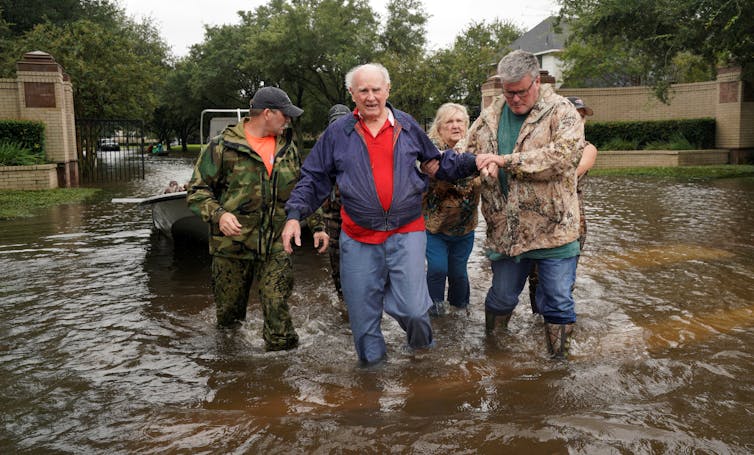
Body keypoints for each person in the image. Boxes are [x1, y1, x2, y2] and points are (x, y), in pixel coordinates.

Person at [281, 63, 478, 365]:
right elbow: (313, 178)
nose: (371, 97)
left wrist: (475, 162)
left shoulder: (407, 125)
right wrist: (295, 214)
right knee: (363, 319)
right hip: (358, 236)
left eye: (376, 89)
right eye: (364, 91)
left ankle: (422, 359)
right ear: (352, 94)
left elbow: (437, 164)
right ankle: (371, 385)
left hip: (406, 231)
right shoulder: (337, 133)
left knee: (413, 310)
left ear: (387, 90)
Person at [186, 86, 328, 351]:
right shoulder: (222, 146)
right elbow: (196, 190)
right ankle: (231, 370)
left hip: (277, 242)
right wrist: (218, 215)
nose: (289, 120)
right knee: (229, 321)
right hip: (232, 246)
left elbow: (303, 189)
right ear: (267, 113)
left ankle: (284, 373)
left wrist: (318, 226)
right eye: (285, 115)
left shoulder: (288, 148)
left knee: (277, 307)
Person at [471, 50, 585, 359]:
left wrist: (504, 161)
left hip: (554, 230)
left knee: (558, 299)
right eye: (509, 92)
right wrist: (475, 163)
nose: (515, 99)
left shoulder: (562, 112)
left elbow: (562, 158)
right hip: (505, 232)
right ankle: (494, 355)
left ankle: (559, 364)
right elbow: (466, 153)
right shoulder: (490, 116)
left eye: (521, 92)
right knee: (501, 297)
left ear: (536, 81)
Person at [527, 96, 599, 314]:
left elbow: (569, 175)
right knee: (536, 277)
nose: (579, 118)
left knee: (562, 280)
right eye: (575, 113)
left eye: (582, 115)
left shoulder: (587, 148)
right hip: (540, 217)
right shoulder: (544, 145)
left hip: (571, 218)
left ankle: (557, 320)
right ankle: (538, 321)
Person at [422, 103, 481, 315]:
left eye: (460, 121)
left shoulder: (477, 150)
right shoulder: (428, 153)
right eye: (450, 121)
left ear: (467, 125)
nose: (455, 126)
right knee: (438, 268)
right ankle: (433, 311)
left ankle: (459, 312)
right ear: (439, 127)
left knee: (458, 273)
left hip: (464, 228)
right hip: (434, 228)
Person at [320, 104, 352, 298]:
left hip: (359, 214)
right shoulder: (323, 147)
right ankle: (342, 298)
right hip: (332, 215)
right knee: (336, 259)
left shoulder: (361, 142)